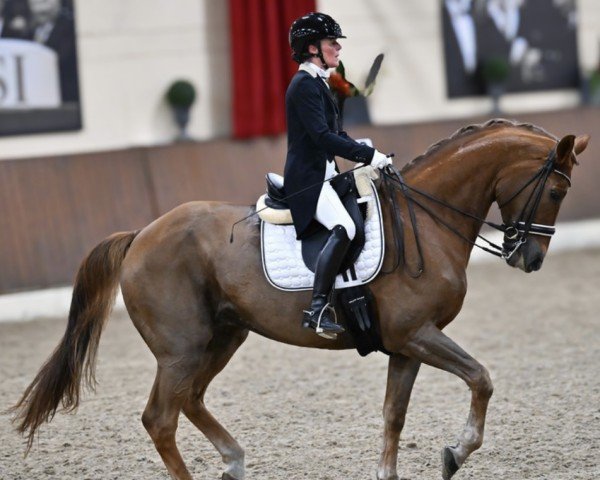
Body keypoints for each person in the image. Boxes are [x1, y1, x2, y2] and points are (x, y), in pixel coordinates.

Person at [284, 12, 392, 338]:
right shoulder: (303, 85)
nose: (338, 49)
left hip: (326, 173)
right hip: (308, 180)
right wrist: (366, 155)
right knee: (344, 226)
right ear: (312, 48)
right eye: (332, 43)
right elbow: (321, 137)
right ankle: (317, 309)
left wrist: (364, 147)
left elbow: (336, 133)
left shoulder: (319, 83)